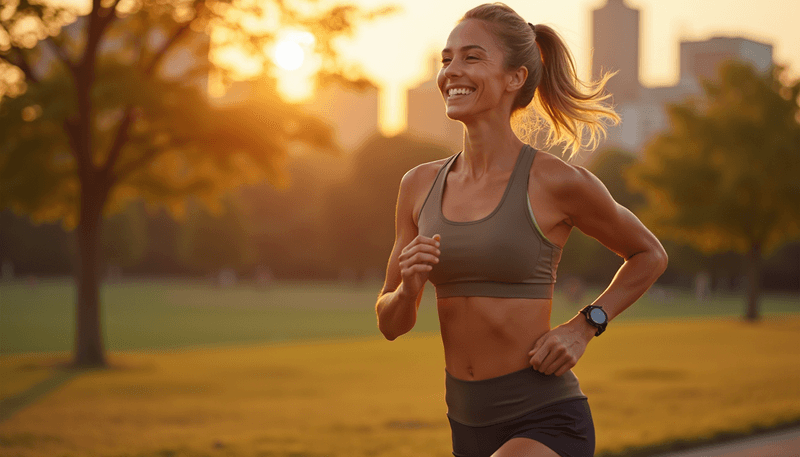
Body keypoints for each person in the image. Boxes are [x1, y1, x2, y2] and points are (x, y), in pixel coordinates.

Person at [374, 3, 668, 457]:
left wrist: (584, 325)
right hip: (466, 424)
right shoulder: (417, 185)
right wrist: (409, 286)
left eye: (472, 57)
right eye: (446, 59)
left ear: (515, 78)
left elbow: (649, 253)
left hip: (545, 417)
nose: (452, 70)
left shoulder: (556, 181)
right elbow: (391, 323)